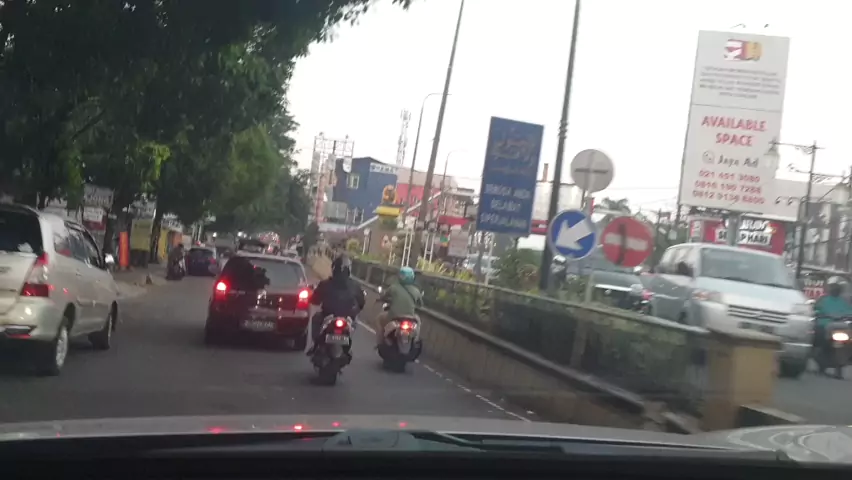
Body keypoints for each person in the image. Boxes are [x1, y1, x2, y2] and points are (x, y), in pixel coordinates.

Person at [307, 254, 365, 355]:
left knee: (316, 318)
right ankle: (348, 346)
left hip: (328, 315)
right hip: (347, 317)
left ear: (334, 269)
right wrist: (356, 309)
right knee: (355, 322)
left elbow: (315, 300)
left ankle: (315, 344)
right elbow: (361, 302)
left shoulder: (326, 283)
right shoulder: (355, 285)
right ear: (349, 270)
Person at [375, 266, 423, 347]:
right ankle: (416, 340)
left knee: (379, 319)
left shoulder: (393, 287)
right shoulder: (416, 291)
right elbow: (420, 304)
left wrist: (381, 299)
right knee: (418, 321)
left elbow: (384, 297)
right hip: (410, 317)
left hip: (394, 316)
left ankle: (380, 342)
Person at [813, 276, 852, 364]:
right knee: (819, 335)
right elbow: (816, 309)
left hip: (839, 325)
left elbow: (849, 311)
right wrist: (820, 314)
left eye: (837, 288)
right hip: (824, 324)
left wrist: (847, 316)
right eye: (833, 287)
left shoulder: (843, 301)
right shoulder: (823, 299)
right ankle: (819, 353)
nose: (835, 290)